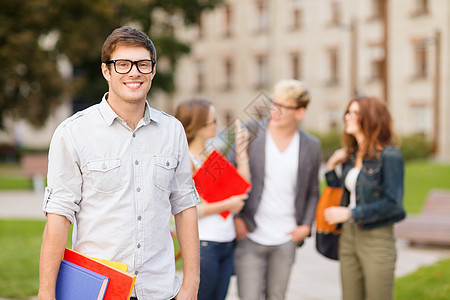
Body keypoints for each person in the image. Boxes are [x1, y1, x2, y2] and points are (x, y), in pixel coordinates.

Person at [38, 26, 200, 300]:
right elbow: (58, 217)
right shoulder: (73, 132)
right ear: (106, 71)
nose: (134, 72)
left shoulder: (173, 131)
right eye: (123, 65)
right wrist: (46, 293)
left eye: (142, 64)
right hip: (98, 291)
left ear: (153, 70)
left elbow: (185, 207)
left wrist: (191, 285)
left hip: (159, 290)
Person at [228, 79, 322, 300]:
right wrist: (237, 217)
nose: (275, 111)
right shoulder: (251, 132)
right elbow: (228, 176)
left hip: (287, 237)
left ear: (300, 112)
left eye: (283, 107)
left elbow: (312, 191)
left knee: (276, 296)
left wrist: (306, 226)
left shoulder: (311, 145)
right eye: (274, 104)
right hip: (250, 233)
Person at [324, 96, 406, 300]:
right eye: (347, 112)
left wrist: (350, 213)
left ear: (371, 118)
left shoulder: (390, 156)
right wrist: (331, 165)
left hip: (376, 238)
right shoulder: (352, 156)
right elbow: (340, 190)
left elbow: (394, 205)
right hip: (349, 236)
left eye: (354, 113)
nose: (347, 117)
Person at [174, 98, 249, 300]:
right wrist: (227, 205)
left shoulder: (210, 155)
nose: (217, 124)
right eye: (212, 120)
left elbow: (240, 186)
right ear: (197, 126)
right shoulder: (186, 160)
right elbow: (187, 210)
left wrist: (241, 151)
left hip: (226, 241)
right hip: (205, 243)